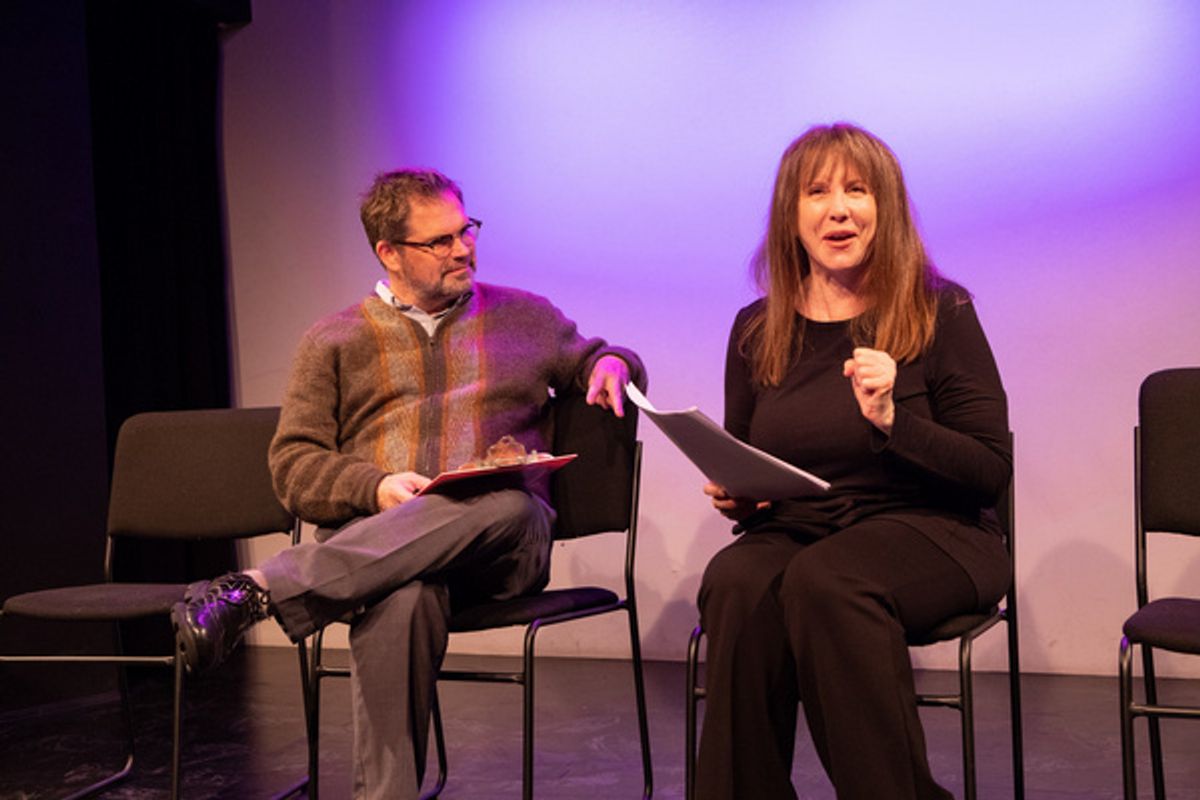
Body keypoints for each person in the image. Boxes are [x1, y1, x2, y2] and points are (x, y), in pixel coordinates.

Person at [171, 168, 646, 800]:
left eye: (465, 230)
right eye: (440, 241)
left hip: (502, 547)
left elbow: (601, 356)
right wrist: (377, 488)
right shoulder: (332, 341)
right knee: (404, 593)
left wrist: (615, 362)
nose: (463, 249)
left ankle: (263, 591)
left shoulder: (525, 317)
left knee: (502, 502)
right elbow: (294, 465)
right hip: (381, 554)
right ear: (389, 253)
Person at [696, 123, 1010, 800]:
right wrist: (740, 494)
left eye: (856, 190)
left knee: (828, 580)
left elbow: (989, 470)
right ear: (792, 213)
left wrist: (897, 421)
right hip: (803, 528)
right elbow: (744, 449)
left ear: (884, 207)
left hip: (935, 529)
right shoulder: (758, 327)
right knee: (736, 580)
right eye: (817, 192)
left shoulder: (939, 311)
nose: (838, 208)